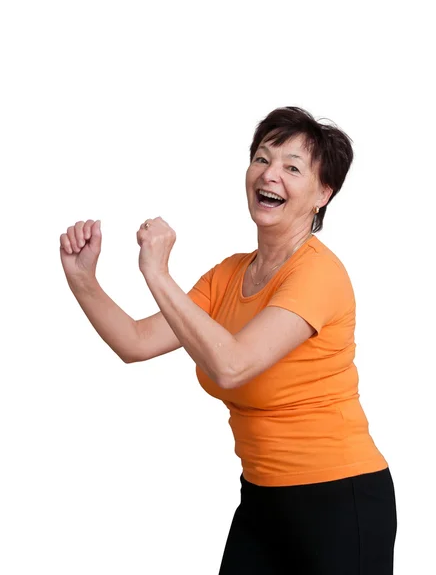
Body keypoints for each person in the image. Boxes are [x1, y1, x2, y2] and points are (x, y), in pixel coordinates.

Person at [59, 106, 397, 574]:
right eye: (262, 158)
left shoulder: (319, 274)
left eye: (292, 167)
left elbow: (232, 365)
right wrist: (83, 281)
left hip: (340, 498)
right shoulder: (229, 275)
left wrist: (157, 273)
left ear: (323, 193)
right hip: (261, 500)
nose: (269, 173)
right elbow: (136, 342)